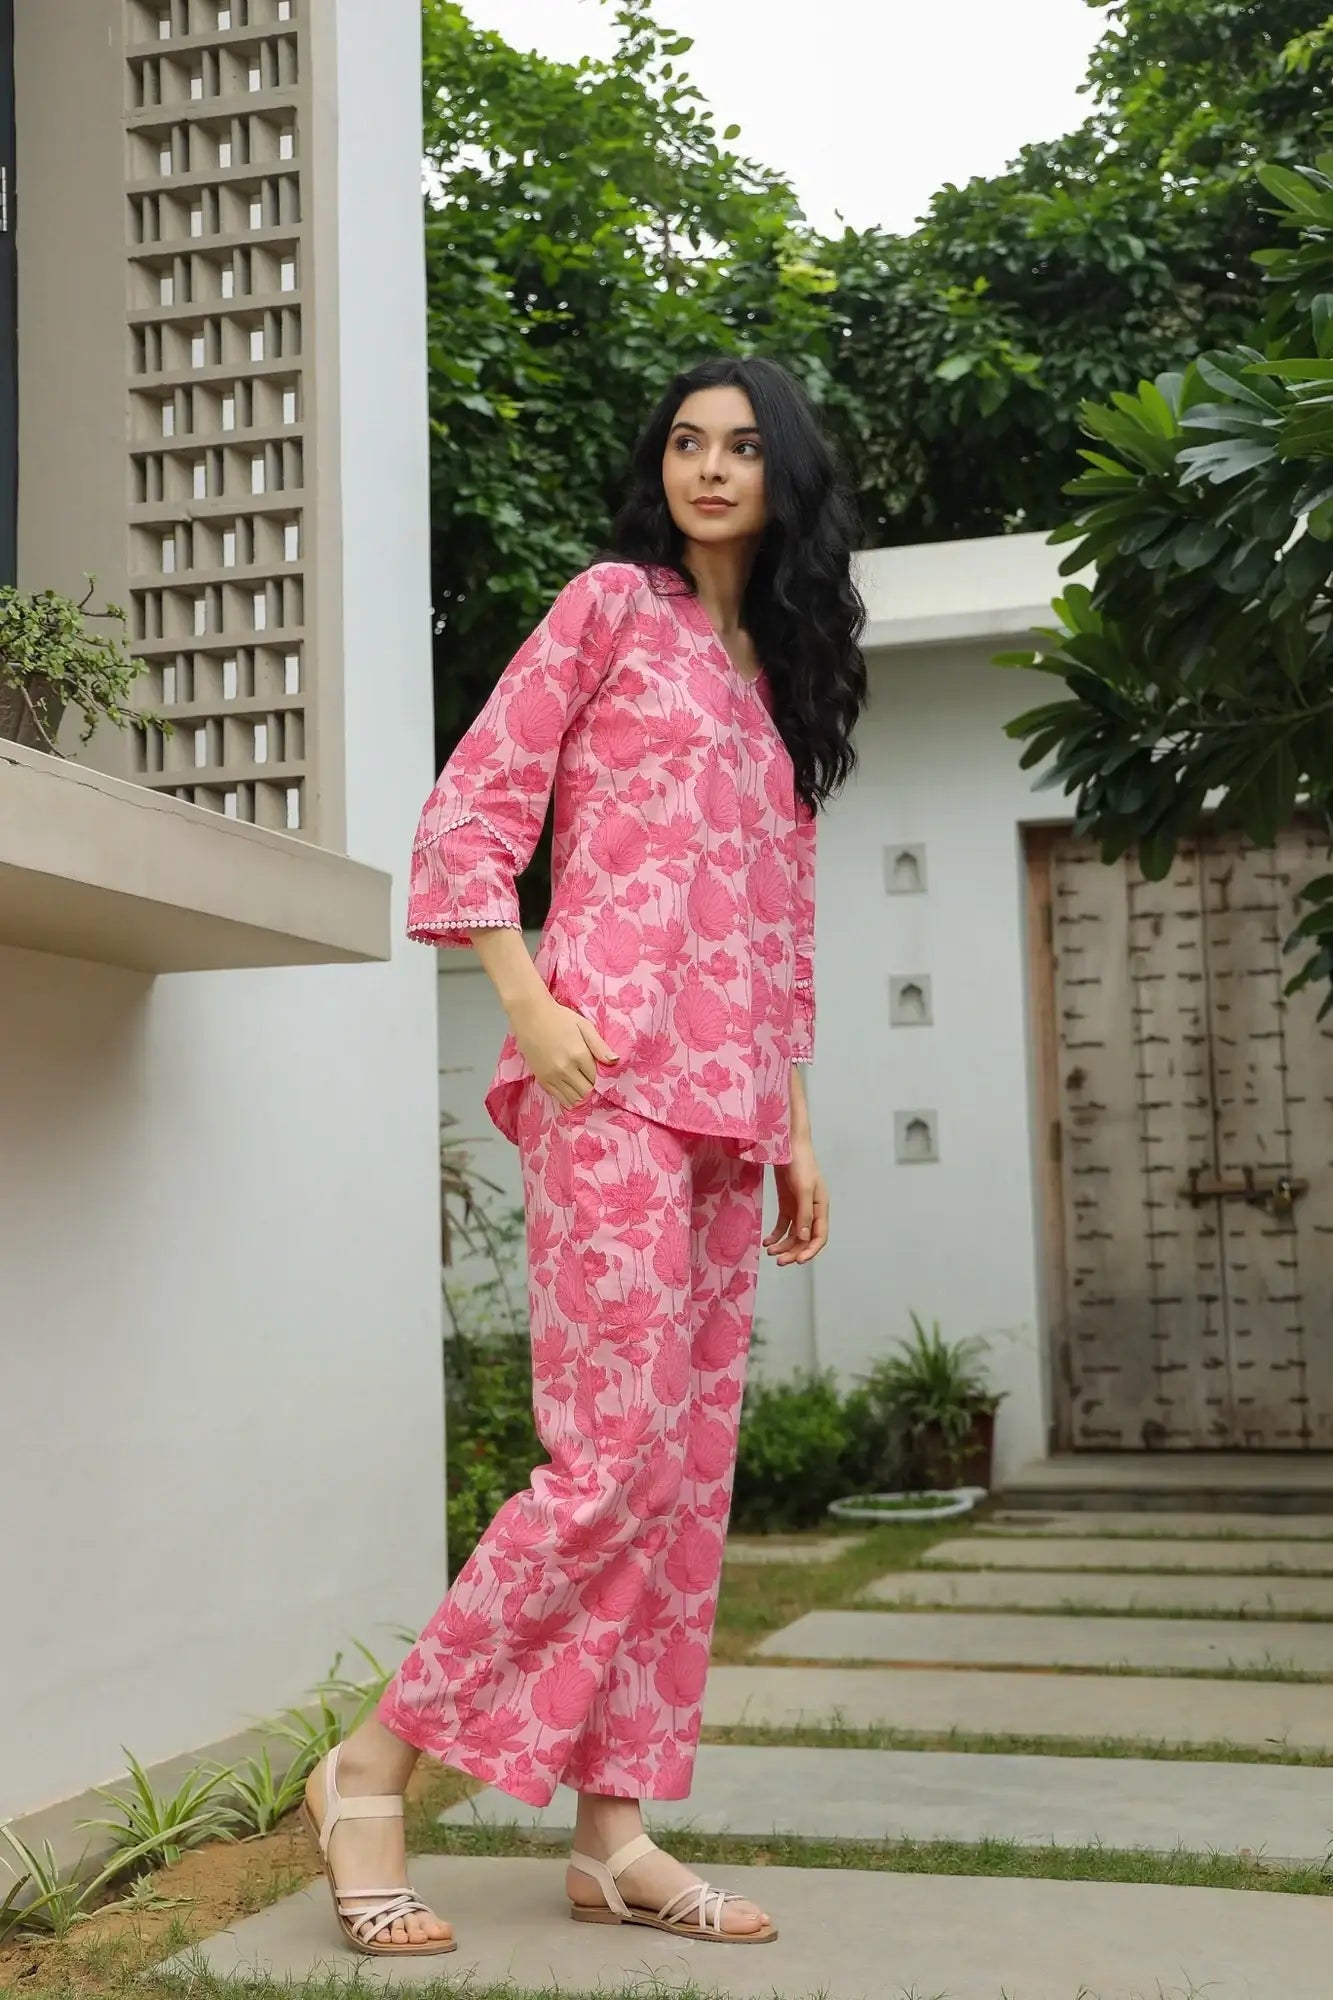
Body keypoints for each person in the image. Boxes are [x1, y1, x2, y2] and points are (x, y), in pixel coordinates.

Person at [301, 355, 867, 1957]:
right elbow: (469, 813)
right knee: (606, 1462)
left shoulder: (782, 678)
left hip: (730, 1114)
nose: (709, 467)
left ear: (784, 476)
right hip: (602, 1079)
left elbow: (775, 928)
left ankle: (613, 1834)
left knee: (681, 1482)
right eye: (686, 443)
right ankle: (368, 1770)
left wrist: (795, 1122)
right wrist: (529, 1003)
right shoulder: (608, 608)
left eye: (740, 446)